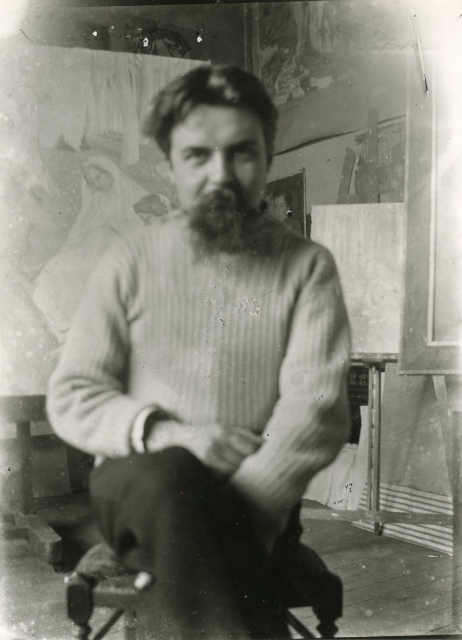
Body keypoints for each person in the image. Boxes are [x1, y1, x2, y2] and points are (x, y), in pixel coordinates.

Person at [47, 65, 351, 639]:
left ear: (267, 157)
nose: (221, 175)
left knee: (194, 526)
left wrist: (239, 516)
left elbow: (315, 410)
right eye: (196, 156)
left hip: (261, 494)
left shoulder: (307, 267)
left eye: (242, 153)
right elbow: (72, 395)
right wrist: (171, 433)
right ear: (169, 166)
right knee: (174, 478)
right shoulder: (130, 261)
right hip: (139, 490)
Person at [32, 157, 146, 340]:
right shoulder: (97, 199)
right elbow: (85, 227)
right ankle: (58, 319)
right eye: (92, 182)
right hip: (97, 240)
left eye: (98, 177)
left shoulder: (133, 193)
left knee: (94, 270)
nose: (96, 184)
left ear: (109, 172)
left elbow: (147, 226)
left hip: (118, 245)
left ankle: (87, 325)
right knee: (60, 264)